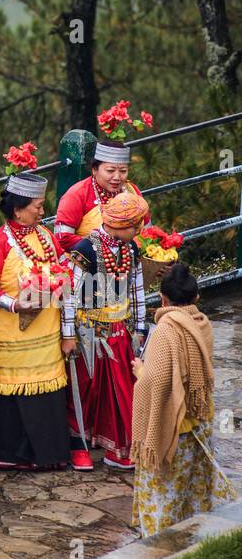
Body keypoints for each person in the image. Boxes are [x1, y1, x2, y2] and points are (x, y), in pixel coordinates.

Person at [0, 168, 76, 470]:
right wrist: (14, 304)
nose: (42, 212)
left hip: (46, 332)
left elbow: (63, 270)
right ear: (18, 209)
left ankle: (45, 454)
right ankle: (7, 454)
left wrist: (67, 331)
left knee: (45, 391)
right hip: (11, 332)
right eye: (37, 206)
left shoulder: (44, 235)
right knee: (12, 389)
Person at [131, 263, 236, 537]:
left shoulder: (167, 329)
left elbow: (158, 381)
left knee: (165, 493)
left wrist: (141, 371)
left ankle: (160, 544)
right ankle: (193, 535)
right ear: (196, 297)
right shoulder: (202, 323)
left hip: (172, 429)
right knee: (192, 489)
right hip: (198, 423)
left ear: (163, 299)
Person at [67, 188, 150, 470]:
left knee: (121, 390)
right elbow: (69, 294)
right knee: (88, 389)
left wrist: (139, 327)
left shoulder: (131, 248)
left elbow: (137, 289)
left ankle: (118, 447)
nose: (140, 230)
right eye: (138, 226)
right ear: (126, 226)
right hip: (89, 333)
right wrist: (69, 333)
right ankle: (79, 444)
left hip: (121, 332)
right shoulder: (85, 249)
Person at [54, 138, 145, 252]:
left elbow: (147, 232)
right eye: (110, 171)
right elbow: (62, 238)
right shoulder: (77, 194)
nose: (117, 177)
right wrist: (108, 247)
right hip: (89, 262)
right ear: (94, 170)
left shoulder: (132, 191)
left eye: (123, 171)